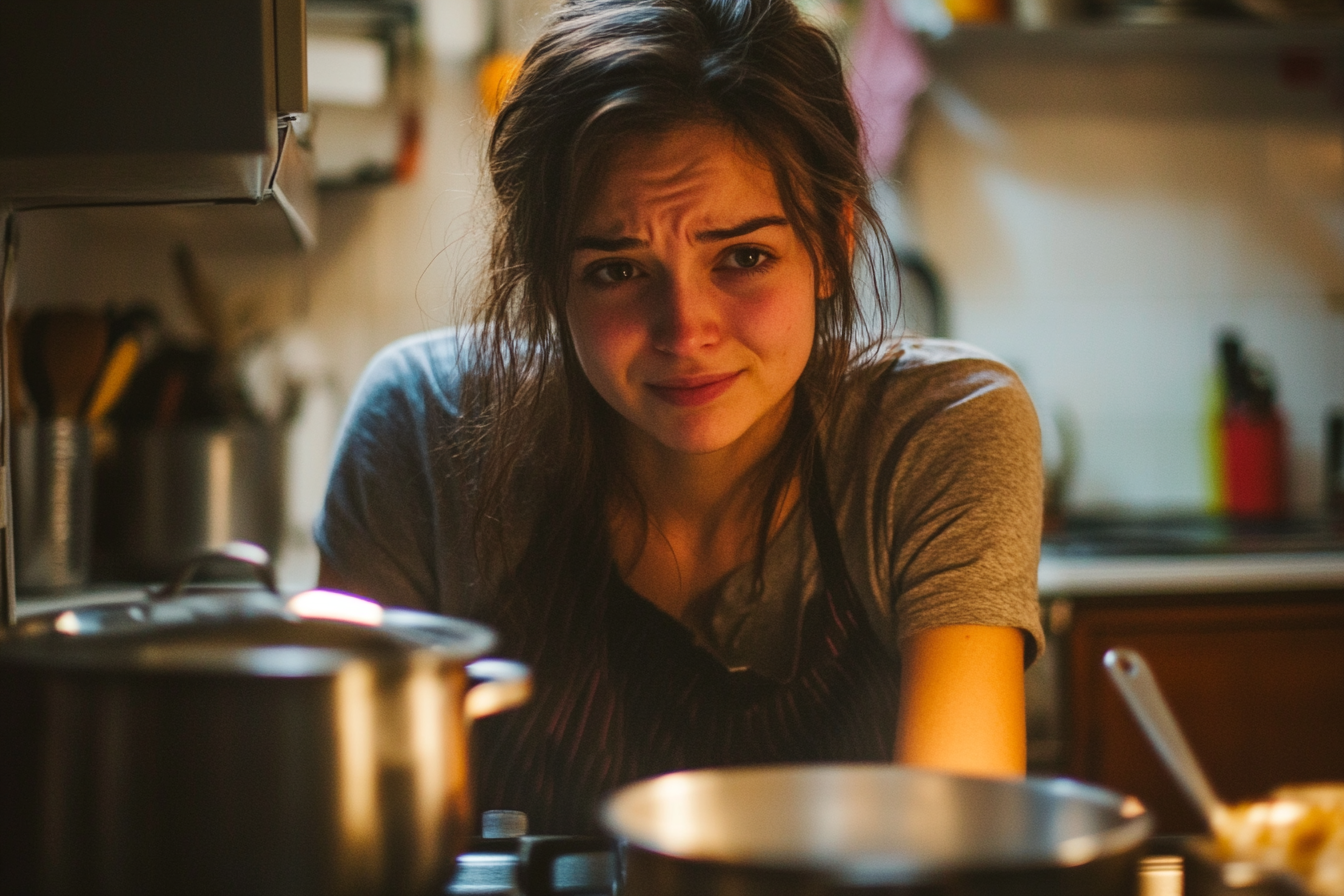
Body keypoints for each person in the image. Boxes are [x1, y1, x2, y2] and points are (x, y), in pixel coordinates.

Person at [316, 0, 1044, 834]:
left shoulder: (939, 434)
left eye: (743, 258)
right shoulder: (420, 429)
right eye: (619, 270)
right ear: (549, 274)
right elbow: (349, 829)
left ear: (833, 244)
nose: (686, 330)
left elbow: (958, 846)